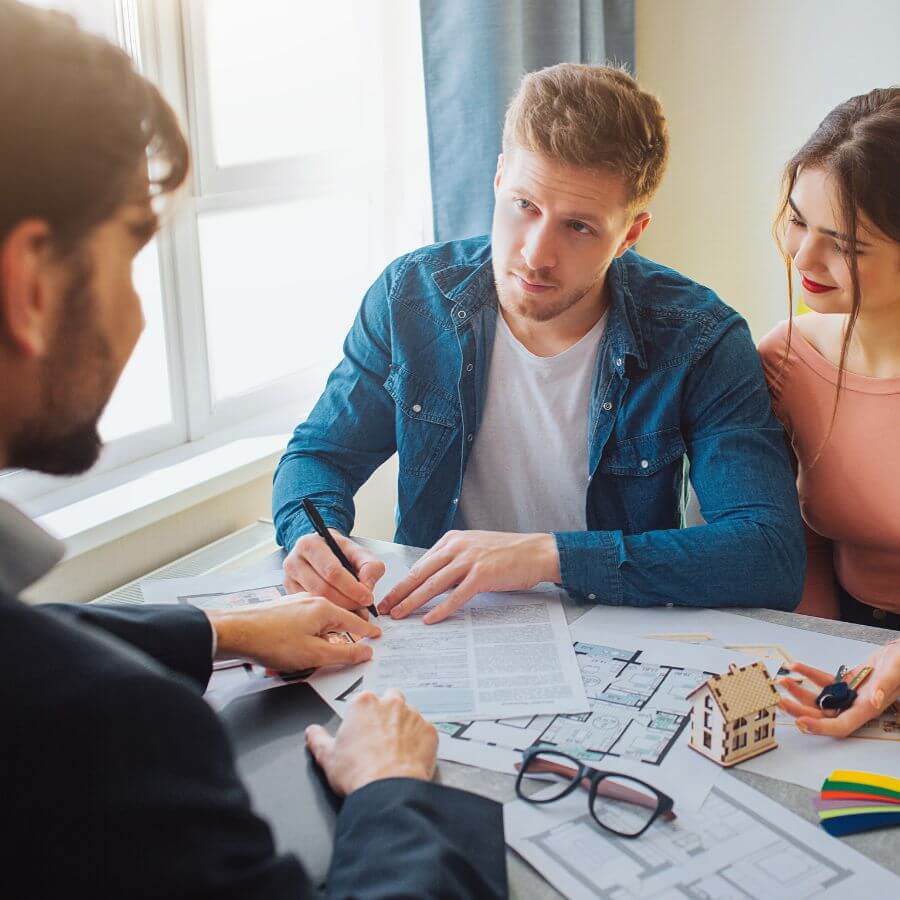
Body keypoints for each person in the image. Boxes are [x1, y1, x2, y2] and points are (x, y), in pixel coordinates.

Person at [0, 3, 506, 897]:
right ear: (30, 286)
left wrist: (220, 630)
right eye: (131, 253)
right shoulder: (115, 733)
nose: (137, 312)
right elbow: (316, 453)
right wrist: (392, 792)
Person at [274, 63, 805, 624]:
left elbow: (768, 554)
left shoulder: (699, 335)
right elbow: (319, 456)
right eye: (525, 206)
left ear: (630, 233)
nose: (535, 254)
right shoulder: (410, 297)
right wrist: (315, 535)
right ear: (500, 178)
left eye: (578, 227)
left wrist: (546, 556)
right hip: (439, 625)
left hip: (615, 628)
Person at [757, 89, 899, 739]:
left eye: (844, 244)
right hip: (846, 634)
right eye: (797, 221)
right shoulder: (786, 362)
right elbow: (800, 538)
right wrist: (814, 648)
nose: (803, 259)